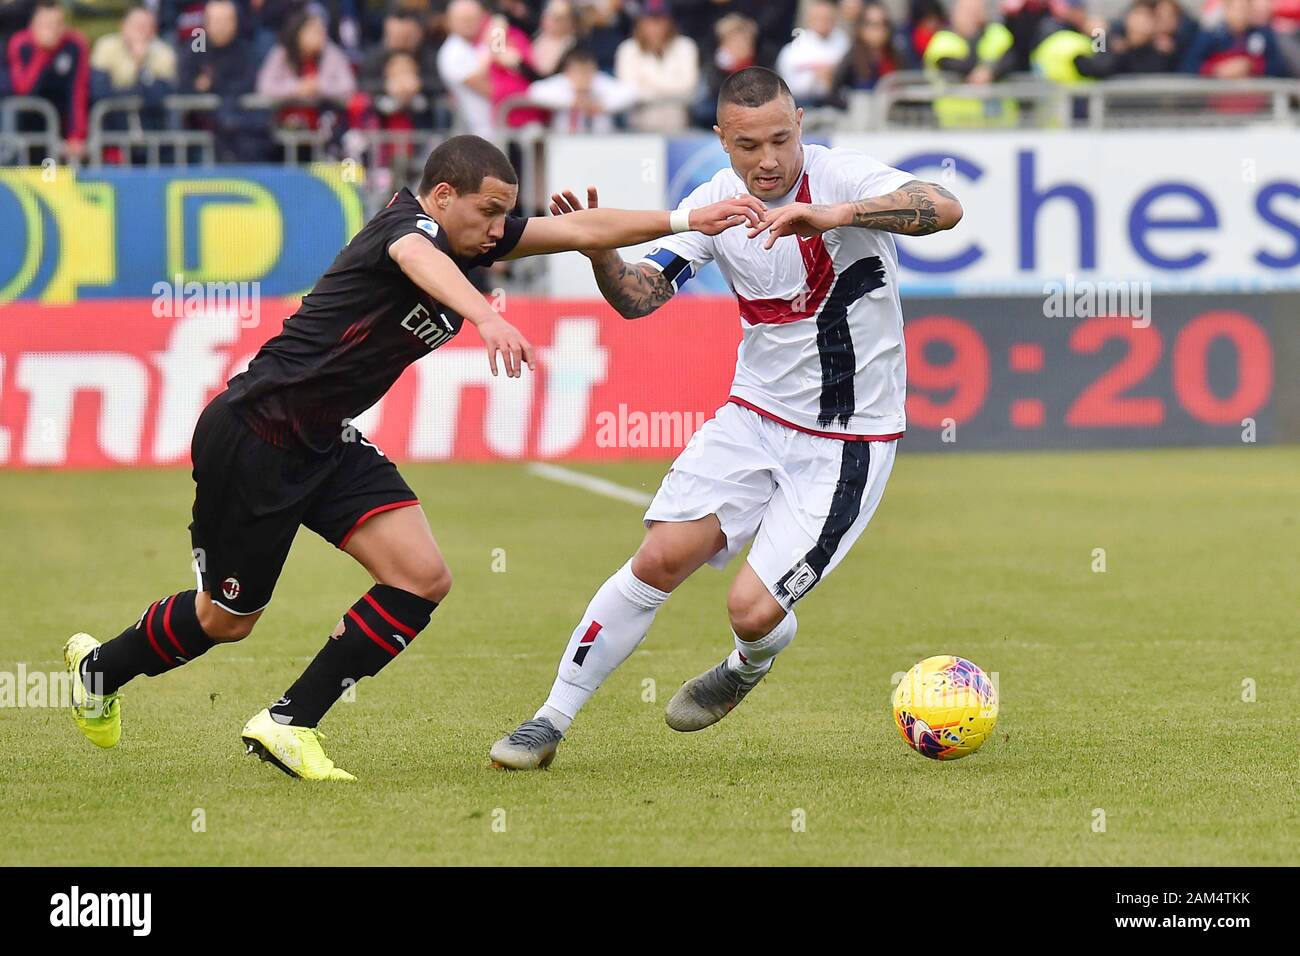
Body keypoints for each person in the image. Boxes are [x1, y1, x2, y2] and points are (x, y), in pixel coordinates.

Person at [63, 134, 765, 782]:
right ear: (441, 197)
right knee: (226, 621)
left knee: (422, 576)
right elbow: (416, 258)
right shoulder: (408, 229)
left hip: (325, 440)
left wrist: (684, 221)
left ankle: (289, 722)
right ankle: (101, 668)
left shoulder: (469, 242)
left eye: (506, 216)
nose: (499, 229)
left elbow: (582, 228)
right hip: (257, 435)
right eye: (489, 212)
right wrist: (487, 315)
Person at [490, 67, 962, 771]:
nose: (766, 160)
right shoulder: (715, 202)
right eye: (747, 146)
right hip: (754, 415)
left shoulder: (842, 177)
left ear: (801, 122)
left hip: (848, 439)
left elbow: (944, 206)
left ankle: (748, 663)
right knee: (660, 557)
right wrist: (600, 254)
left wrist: (830, 216)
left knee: (751, 610)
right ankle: (549, 719)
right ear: (722, 140)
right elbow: (639, 299)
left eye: (780, 139)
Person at [6, 0, 90, 160]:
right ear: (33, 25)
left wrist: (77, 135)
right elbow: (23, 90)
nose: (52, 30)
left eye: (57, 24)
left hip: (61, 128)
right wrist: (42, 52)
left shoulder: (76, 44)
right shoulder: (20, 43)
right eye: (46, 25)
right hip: (24, 127)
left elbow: (78, 91)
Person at [613, 0, 699, 132]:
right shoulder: (627, 49)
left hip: (678, 125)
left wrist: (647, 84)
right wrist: (671, 87)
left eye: (660, 20)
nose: (655, 27)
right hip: (638, 127)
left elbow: (689, 90)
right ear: (640, 23)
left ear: (669, 22)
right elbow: (628, 93)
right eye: (649, 21)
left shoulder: (686, 46)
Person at [527, 45, 638, 132]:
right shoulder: (562, 82)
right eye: (578, 72)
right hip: (565, 143)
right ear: (568, 72)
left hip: (601, 142)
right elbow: (534, 91)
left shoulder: (599, 81)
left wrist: (603, 105)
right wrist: (571, 101)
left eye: (587, 72)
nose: (583, 77)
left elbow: (630, 93)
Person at [775, 0, 851, 105]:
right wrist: (815, 77)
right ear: (809, 19)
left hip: (837, 103)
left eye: (828, 18)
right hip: (804, 103)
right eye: (819, 18)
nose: (823, 22)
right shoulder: (794, 49)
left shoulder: (844, 43)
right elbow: (788, 85)